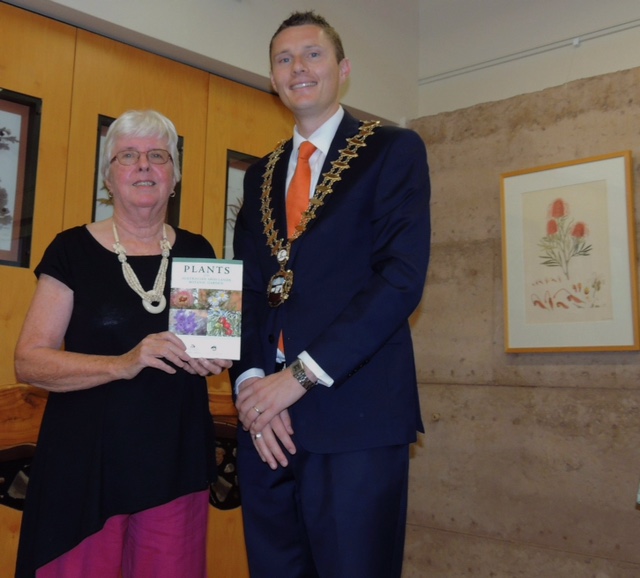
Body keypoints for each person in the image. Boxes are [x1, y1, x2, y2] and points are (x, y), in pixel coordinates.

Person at [231, 11, 431, 578]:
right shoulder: (260, 174)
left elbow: (400, 279)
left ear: (342, 70)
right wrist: (251, 387)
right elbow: (248, 289)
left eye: (312, 54)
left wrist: (295, 379)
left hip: (355, 416)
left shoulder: (393, 149)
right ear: (272, 78)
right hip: (267, 426)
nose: (298, 67)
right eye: (284, 59)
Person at [13, 109, 232, 578]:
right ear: (108, 177)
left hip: (176, 459)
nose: (144, 166)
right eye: (128, 156)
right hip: (84, 462)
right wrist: (124, 362)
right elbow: (29, 362)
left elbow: (212, 350)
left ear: (175, 176)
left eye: (158, 156)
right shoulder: (71, 250)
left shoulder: (200, 251)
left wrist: (217, 357)